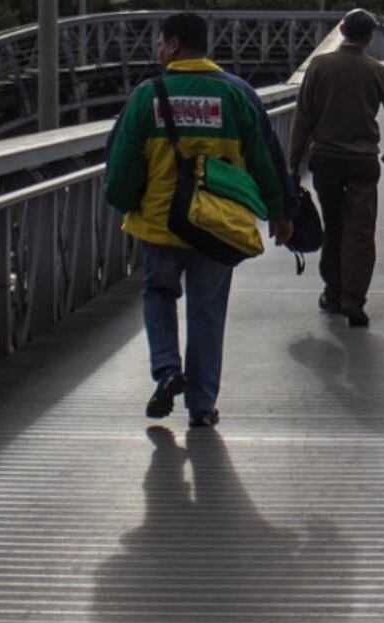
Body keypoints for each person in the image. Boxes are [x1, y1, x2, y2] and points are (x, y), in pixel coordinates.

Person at [105, 11, 297, 427]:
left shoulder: (147, 95)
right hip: (217, 225)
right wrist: (280, 213)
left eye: (160, 42)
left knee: (158, 294)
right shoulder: (237, 94)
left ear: (173, 45)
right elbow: (267, 159)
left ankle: (168, 370)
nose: (158, 50)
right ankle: (202, 405)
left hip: (161, 223)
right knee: (207, 311)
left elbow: (121, 162)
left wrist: (125, 201)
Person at [287, 8, 384, 327]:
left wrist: (292, 163)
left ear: (341, 30)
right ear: (370, 37)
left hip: (325, 160)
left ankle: (332, 290)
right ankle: (353, 298)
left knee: (334, 226)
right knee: (360, 231)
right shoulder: (376, 70)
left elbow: (303, 117)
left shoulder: (319, 66)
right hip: (362, 162)